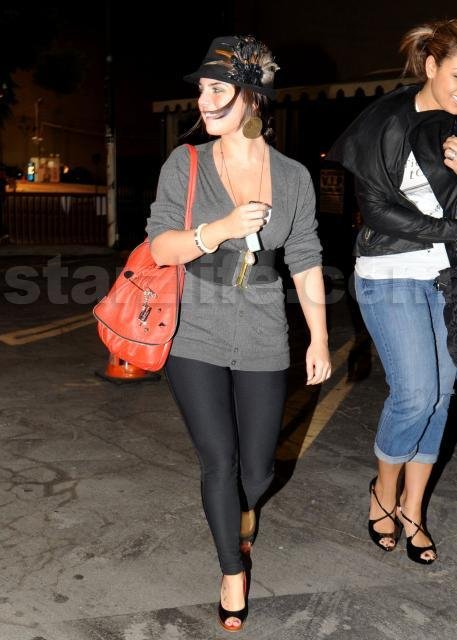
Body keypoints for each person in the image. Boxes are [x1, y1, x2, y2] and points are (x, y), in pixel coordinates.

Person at [146, 35, 331, 632]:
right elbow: (160, 246)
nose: (203, 100)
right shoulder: (187, 163)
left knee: (257, 471)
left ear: (252, 97)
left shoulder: (293, 177)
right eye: (201, 89)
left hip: (263, 330)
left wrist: (319, 337)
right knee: (218, 460)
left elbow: (304, 257)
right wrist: (220, 227)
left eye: (217, 89)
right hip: (193, 330)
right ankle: (231, 568)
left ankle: (240, 513)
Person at [329, 19, 457, 565]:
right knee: (416, 394)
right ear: (431, 66)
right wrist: (451, 229)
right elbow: (377, 210)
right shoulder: (386, 120)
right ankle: (383, 491)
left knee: (443, 392)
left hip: (446, 275)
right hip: (389, 270)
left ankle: (413, 508)